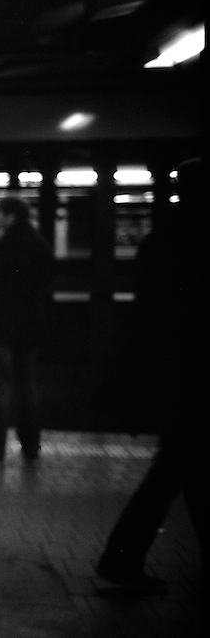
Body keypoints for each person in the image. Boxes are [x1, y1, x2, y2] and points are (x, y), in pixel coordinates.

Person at [96, 158, 207, 594]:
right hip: (195, 371)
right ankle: (120, 559)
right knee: (179, 468)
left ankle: (121, 559)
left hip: (178, 370)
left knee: (183, 467)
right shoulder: (196, 237)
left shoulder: (165, 237)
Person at [0, 196, 53, 463]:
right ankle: (30, 446)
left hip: (1, 328)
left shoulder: (4, 245)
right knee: (27, 386)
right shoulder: (41, 244)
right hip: (31, 328)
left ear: (11, 216)